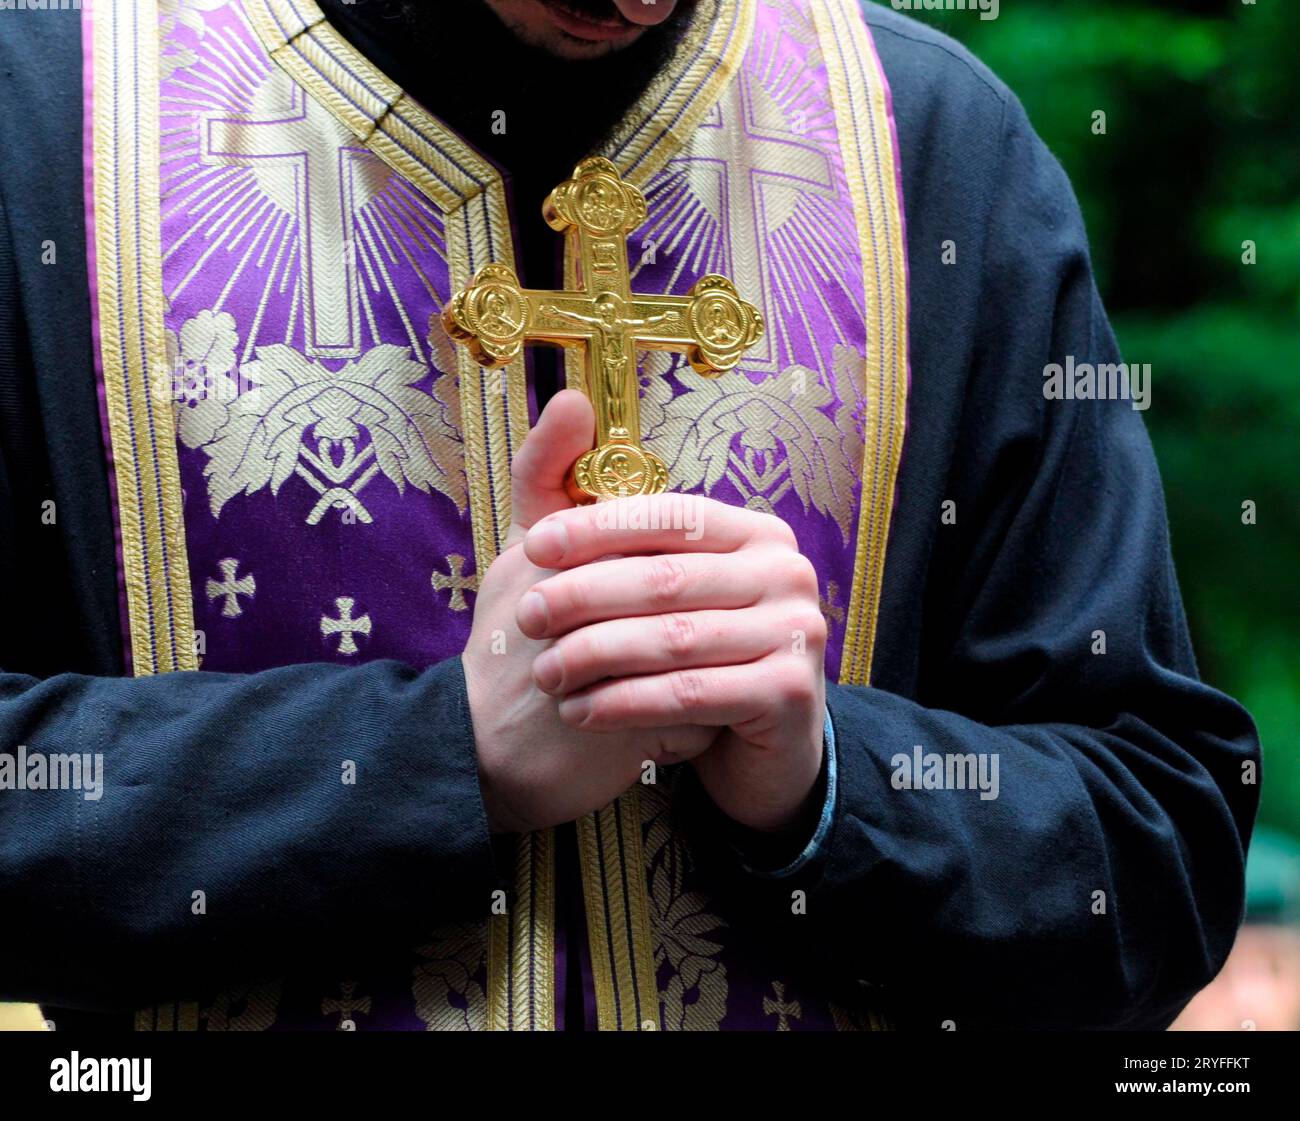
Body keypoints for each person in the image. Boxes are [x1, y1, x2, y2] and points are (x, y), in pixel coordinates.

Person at [0, 0, 1259, 1031]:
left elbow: (1158, 850)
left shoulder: (938, 145)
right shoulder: (41, 115)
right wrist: (426, 755)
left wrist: (826, 786)